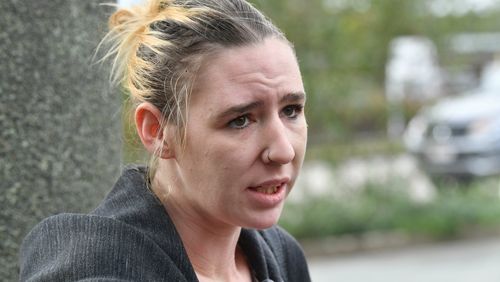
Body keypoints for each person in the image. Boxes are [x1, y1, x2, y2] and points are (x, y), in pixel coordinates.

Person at [19, 0, 310, 281]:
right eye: (240, 120)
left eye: (291, 111)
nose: (283, 151)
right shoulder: (91, 264)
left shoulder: (283, 257)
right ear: (157, 131)